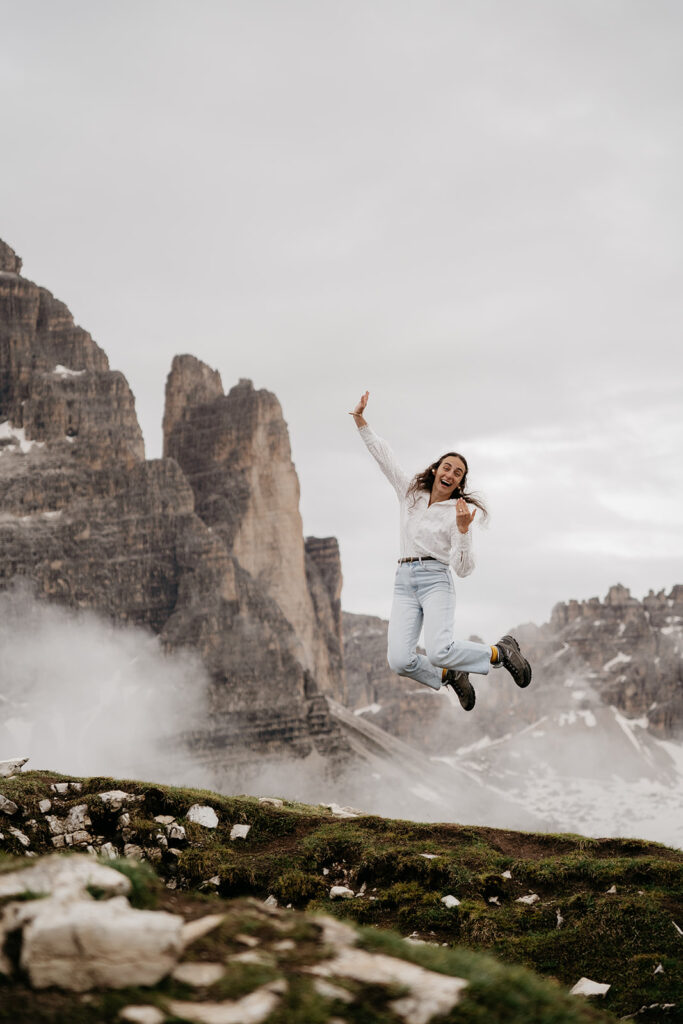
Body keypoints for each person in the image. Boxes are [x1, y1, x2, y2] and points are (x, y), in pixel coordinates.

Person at [349, 390, 531, 711]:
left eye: (457, 473)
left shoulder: (457, 513)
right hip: (404, 581)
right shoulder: (410, 493)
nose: (450, 474)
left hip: (436, 581)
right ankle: (451, 675)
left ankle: (501, 653)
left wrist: (462, 532)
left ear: (459, 484)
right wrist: (362, 420)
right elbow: (384, 455)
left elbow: (463, 569)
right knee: (400, 660)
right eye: (446, 467)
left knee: (439, 649)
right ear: (436, 470)